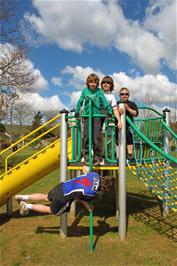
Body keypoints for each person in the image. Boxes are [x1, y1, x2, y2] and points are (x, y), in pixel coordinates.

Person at [15, 166, 114, 216]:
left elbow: (84, 168)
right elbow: (81, 199)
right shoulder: (92, 193)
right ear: (104, 189)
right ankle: (26, 205)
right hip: (63, 197)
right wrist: (89, 208)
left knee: (45, 197)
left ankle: (22, 197)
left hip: (62, 186)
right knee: (52, 210)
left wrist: (88, 171)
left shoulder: (94, 175)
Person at [75, 73, 112, 165]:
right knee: (87, 135)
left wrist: (110, 112)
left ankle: (96, 155)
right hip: (87, 115)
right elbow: (80, 102)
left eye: (95, 82)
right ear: (88, 83)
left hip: (97, 115)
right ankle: (87, 154)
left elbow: (104, 101)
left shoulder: (99, 92)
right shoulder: (85, 91)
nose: (93, 84)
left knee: (96, 136)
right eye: (91, 82)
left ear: (97, 83)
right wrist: (77, 111)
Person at [100, 76, 122, 164]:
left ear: (111, 85)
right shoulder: (98, 93)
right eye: (104, 82)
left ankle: (101, 156)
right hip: (95, 117)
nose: (105, 84)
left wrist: (119, 120)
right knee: (91, 136)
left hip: (104, 118)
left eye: (108, 83)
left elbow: (115, 109)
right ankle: (86, 155)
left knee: (102, 137)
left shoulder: (111, 96)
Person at [117, 87, 138, 160]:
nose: (124, 95)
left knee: (129, 139)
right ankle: (119, 156)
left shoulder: (132, 103)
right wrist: (117, 111)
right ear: (119, 95)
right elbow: (112, 113)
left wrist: (128, 108)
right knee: (118, 140)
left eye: (126, 94)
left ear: (128, 95)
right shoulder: (117, 104)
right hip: (119, 126)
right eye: (122, 94)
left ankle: (130, 155)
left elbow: (135, 113)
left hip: (128, 126)